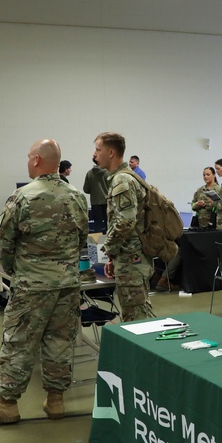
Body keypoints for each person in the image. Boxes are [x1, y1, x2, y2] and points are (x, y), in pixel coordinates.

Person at [0, 138, 88, 425]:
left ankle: (7, 403)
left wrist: (17, 271)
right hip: (67, 283)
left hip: (32, 285)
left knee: (19, 342)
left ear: (36, 160)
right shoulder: (76, 196)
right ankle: (56, 399)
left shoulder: (22, 197)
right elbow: (83, 239)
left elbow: (4, 243)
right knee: (60, 341)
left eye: (28, 157)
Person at [93, 132, 154, 322]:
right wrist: (113, 256)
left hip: (132, 260)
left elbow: (125, 221)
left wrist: (109, 249)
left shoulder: (122, 180)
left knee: (138, 318)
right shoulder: (122, 178)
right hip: (128, 257)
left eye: (98, 149)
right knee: (134, 313)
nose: (95, 154)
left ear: (111, 152)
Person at [83, 161, 109, 232]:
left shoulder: (89, 173)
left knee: (98, 225)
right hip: (107, 202)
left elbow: (86, 189)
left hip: (95, 202)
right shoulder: (108, 173)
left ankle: (98, 241)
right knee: (109, 224)